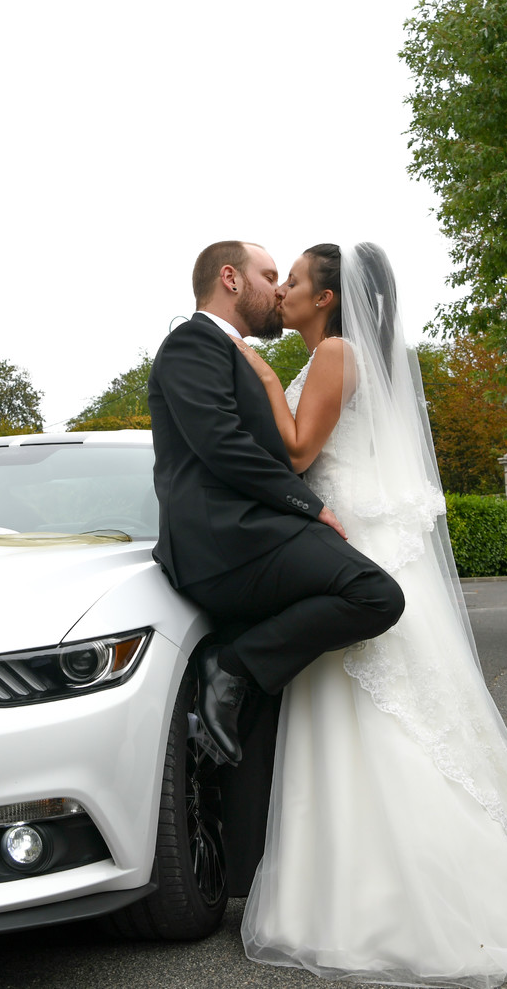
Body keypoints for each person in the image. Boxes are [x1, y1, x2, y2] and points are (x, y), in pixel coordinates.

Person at [227, 242, 507, 987]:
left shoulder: (332, 355)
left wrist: (256, 372)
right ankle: (380, 882)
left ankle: (394, 895)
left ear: (326, 297)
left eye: (293, 280)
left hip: (356, 547)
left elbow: (296, 455)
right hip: (363, 539)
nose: (283, 291)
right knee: (394, 710)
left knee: (378, 711)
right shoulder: (354, 356)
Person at [147, 240, 406, 773]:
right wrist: (309, 507)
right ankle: (231, 666)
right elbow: (224, 445)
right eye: (270, 275)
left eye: (288, 279)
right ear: (231, 279)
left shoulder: (249, 354)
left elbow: (283, 447)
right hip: (230, 540)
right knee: (375, 594)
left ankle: (248, 847)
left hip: (254, 537)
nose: (280, 288)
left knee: (262, 735)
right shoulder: (192, 343)